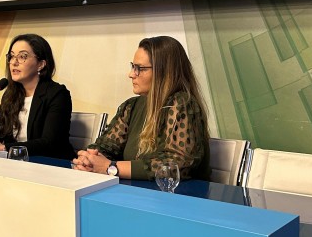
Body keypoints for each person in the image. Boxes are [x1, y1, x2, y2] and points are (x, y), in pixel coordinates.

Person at [73, 36, 210, 180]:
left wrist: (111, 168)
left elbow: (176, 164)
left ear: (163, 72)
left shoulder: (182, 103)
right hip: (137, 194)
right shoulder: (131, 106)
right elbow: (106, 146)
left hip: (180, 198)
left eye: (140, 68)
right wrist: (89, 160)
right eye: (133, 66)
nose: (131, 74)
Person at [0, 34, 75, 159]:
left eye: (22, 56)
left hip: (52, 165)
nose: (14, 62)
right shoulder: (11, 94)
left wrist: (3, 149)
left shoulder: (57, 94)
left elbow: (50, 143)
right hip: (19, 164)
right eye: (11, 56)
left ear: (40, 64)